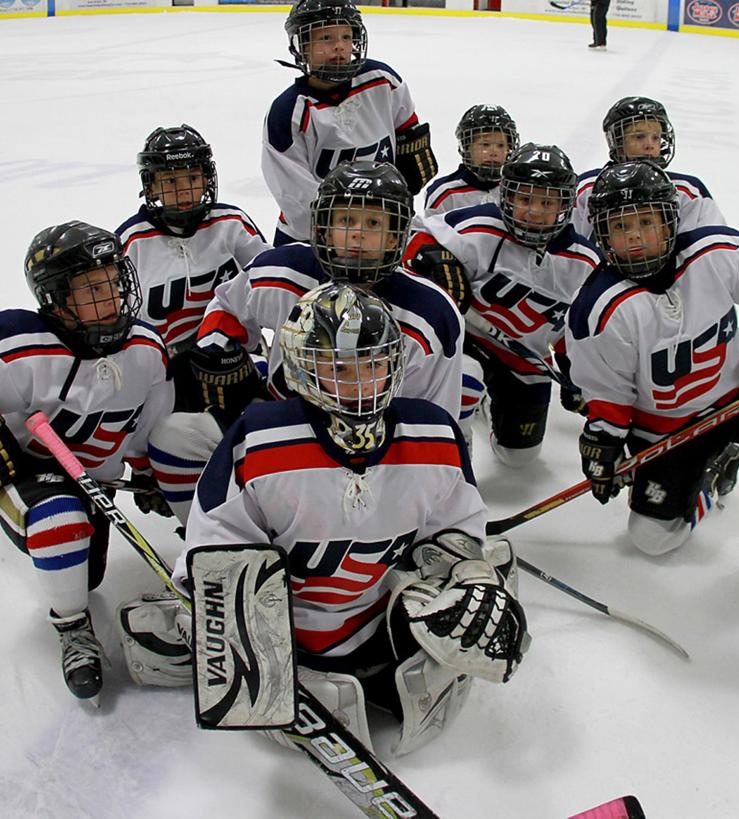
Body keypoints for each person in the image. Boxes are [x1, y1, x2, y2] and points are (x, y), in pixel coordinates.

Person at [171, 283, 528, 755]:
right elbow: (216, 548)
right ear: (303, 368)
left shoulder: (435, 432)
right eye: (338, 367)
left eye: (373, 364)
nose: (359, 382)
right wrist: (234, 638)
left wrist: (471, 576)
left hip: (377, 617)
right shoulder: (258, 440)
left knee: (494, 568)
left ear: (394, 364)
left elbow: (455, 527)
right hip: (292, 638)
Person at [149, 160, 462, 524]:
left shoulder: (432, 313)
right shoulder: (282, 269)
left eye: (374, 223)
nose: (358, 234)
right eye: (346, 221)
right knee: (177, 439)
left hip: (370, 452)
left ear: (396, 237)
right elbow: (227, 306)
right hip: (285, 424)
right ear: (325, 229)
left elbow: (435, 422)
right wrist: (221, 353)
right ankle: (213, 545)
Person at [565, 160, 739, 557]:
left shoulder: (710, 252)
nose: (634, 238)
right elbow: (608, 393)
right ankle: (711, 478)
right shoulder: (597, 311)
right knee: (653, 538)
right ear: (602, 235)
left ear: (670, 222)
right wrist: (604, 442)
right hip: (668, 430)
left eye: (646, 222)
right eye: (620, 227)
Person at [0, 222, 175, 702]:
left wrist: (148, 473)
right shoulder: (17, 345)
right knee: (60, 521)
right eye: (91, 289)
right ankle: (72, 627)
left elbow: (150, 425)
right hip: (26, 476)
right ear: (56, 300)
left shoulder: (146, 348)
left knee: (87, 573)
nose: (111, 296)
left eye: (113, 280)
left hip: (92, 482)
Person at [404, 143, 602, 466]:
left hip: (522, 358)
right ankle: (454, 450)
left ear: (566, 205)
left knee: (518, 457)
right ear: (506, 196)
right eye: (525, 199)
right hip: (468, 339)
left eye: (546, 202)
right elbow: (416, 233)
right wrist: (434, 256)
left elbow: (578, 328)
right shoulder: (480, 226)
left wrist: (577, 368)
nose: (535, 211)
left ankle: (486, 407)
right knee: (465, 379)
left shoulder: (585, 262)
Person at [117, 124, 270, 412]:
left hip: (236, 353)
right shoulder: (131, 243)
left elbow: (269, 283)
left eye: (193, 177)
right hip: (168, 370)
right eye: (171, 181)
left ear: (207, 178)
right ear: (150, 186)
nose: (184, 189)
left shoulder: (231, 224)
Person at [263, 0, 437, 246]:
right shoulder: (287, 113)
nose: (339, 47)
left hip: (379, 232)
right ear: (302, 46)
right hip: (310, 238)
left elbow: (408, 132)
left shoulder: (382, 80)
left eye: (346, 36)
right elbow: (297, 200)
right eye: (326, 37)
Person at [572, 97, 724, 242]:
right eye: (639, 137)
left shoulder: (688, 191)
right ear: (617, 143)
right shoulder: (589, 188)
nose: (649, 145)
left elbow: (713, 245)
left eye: (656, 137)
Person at [421, 105, 520, 219]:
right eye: (485, 145)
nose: (494, 152)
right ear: (467, 148)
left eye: (501, 145)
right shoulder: (444, 193)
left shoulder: (516, 192)